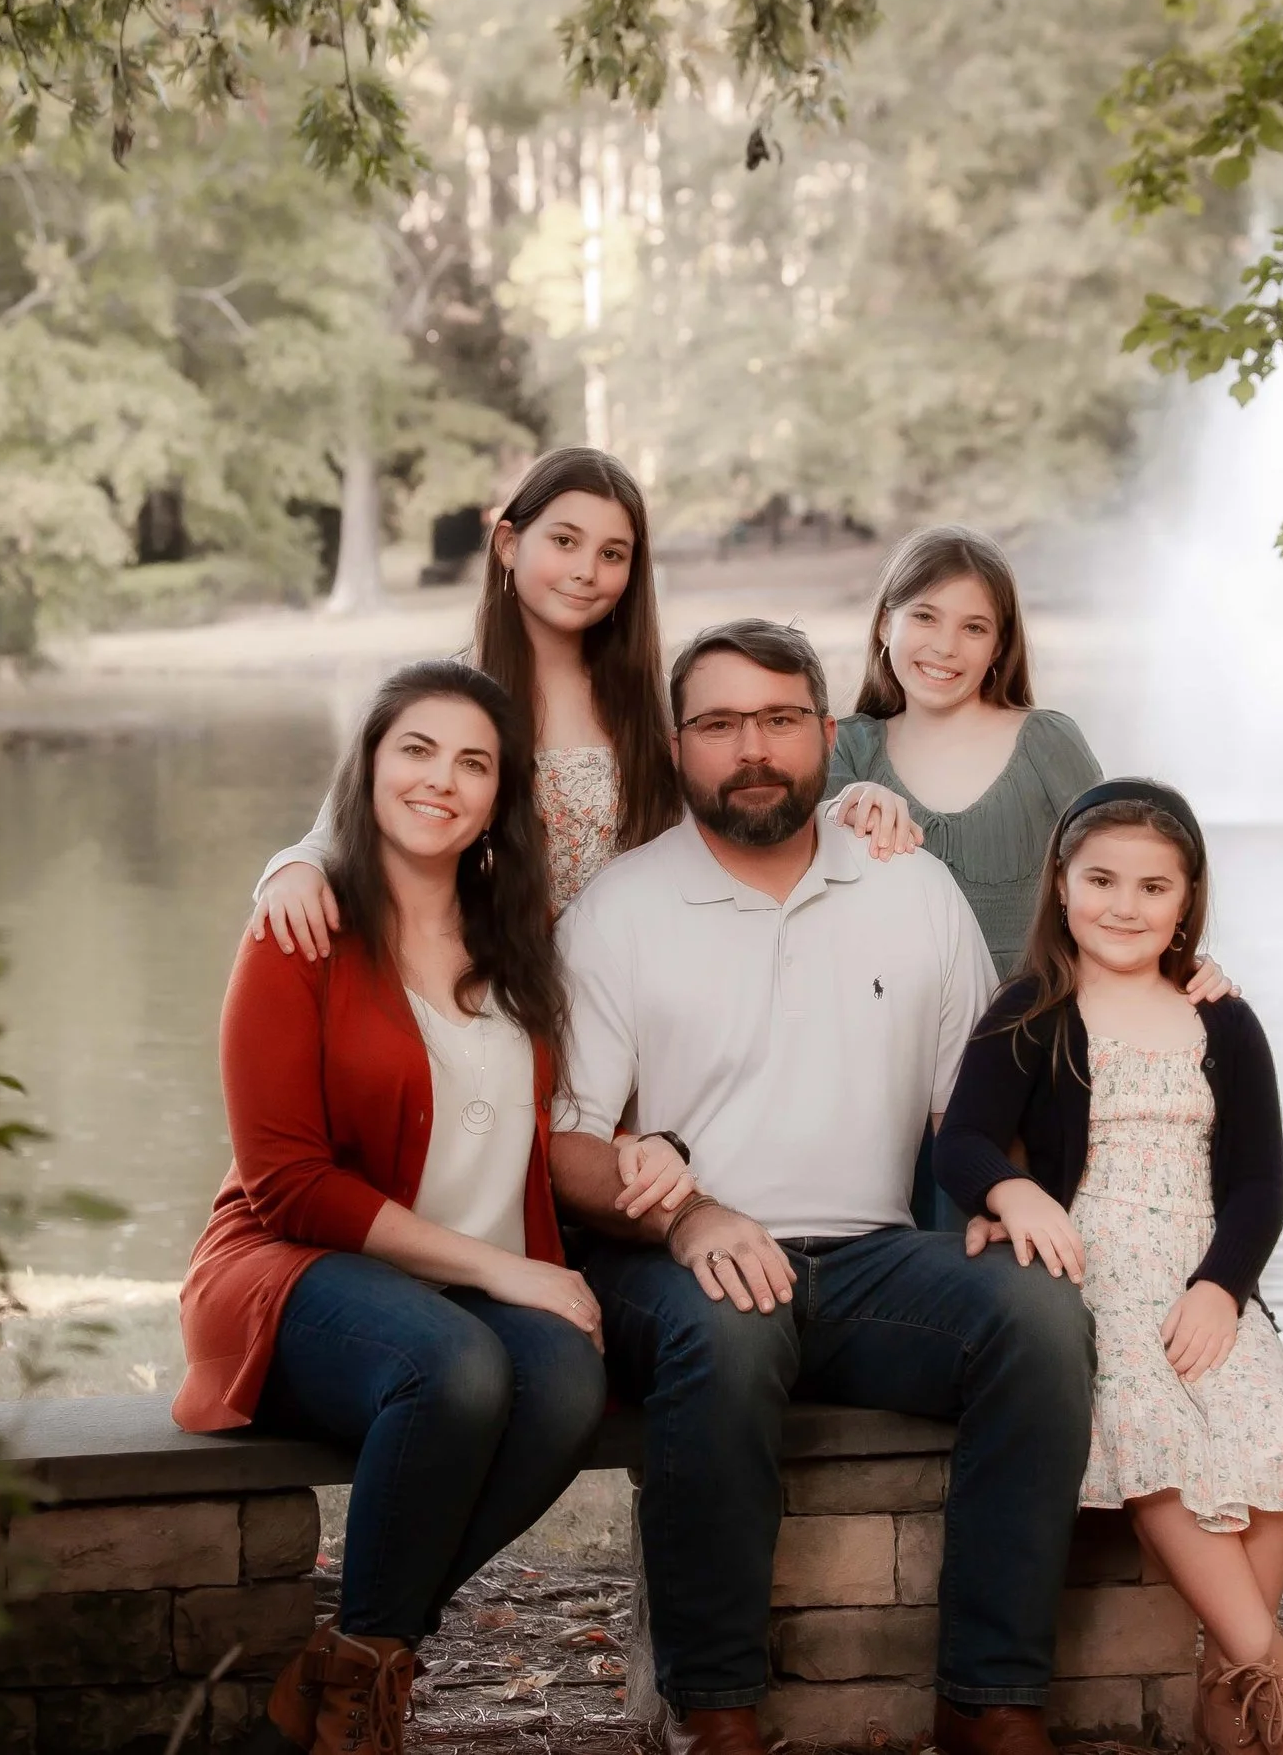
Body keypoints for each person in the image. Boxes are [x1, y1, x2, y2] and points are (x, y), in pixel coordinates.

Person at [548, 617, 1098, 1755]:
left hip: (864, 1259)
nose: (752, 746)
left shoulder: (916, 891)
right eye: (719, 723)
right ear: (677, 741)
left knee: (1041, 1320)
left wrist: (1006, 1194)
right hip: (668, 1263)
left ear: (827, 733)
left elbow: (968, 1116)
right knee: (734, 1325)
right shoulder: (620, 909)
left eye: (780, 719)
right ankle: (718, 1711)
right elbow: (567, 1149)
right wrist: (691, 1213)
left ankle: (989, 1698)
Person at [173, 659, 690, 1755]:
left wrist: (654, 1145)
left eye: (473, 762)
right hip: (291, 1269)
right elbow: (287, 1182)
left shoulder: (525, 944)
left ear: (499, 798)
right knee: (453, 1366)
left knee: (560, 1377)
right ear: (366, 769)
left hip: (459, 1290)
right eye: (416, 750)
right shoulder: (300, 931)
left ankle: (352, 1666)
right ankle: (359, 1707)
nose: (440, 780)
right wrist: (509, 1270)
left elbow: (592, 1095)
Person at [935, 781, 1283, 1755]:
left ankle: (1220, 1689)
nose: (1124, 905)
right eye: (1101, 880)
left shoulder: (1223, 1021)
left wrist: (1220, 1287)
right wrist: (1014, 1193)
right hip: (1093, 1258)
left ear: (1186, 900)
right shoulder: (1033, 1006)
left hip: (1205, 1263)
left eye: (1153, 886)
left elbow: (1259, 1185)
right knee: (1152, 1427)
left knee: (1266, 1441)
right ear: (1060, 885)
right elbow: (964, 1141)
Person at [247, 448, 913, 947]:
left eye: (613, 553)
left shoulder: (653, 706)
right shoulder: (441, 701)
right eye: (564, 542)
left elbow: (748, 809)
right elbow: (335, 834)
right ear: (509, 544)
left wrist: (851, 802)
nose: (586, 571)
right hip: (490, 991)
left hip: (644, 994)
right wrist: (290, 870)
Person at [825, 525, 1234, 1227]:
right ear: (885, 622)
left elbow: (1128, 866)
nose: (945, 646)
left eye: (973, 627)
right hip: (885, 1069)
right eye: (924, 616)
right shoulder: (852, 748)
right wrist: (843, 805)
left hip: (1029, 1062)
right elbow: (794, 872)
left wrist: (1184, 964)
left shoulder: (1045, 742)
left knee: (1019, 1259)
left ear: (999, 646)